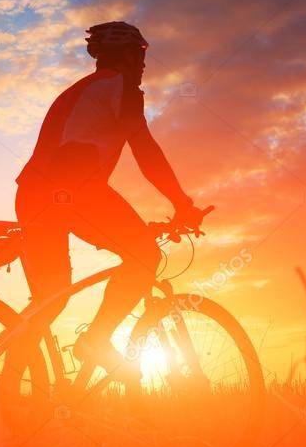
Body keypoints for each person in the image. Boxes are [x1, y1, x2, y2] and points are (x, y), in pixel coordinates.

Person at [15, 21, 206, 381]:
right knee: (144, 254)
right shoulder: (123, 87)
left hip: (32, 193)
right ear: (125, 56)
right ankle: (95, 340)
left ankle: (5, 393)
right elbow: (145, 151)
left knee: (51, 297)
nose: (144, 64)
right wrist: (182, 203)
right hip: (75, 190)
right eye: (140, 55)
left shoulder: (78, 90)